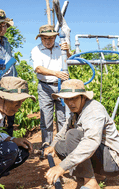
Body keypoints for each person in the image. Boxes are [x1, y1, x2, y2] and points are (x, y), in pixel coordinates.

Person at [44, 79, 119, 189]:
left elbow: (90, 143)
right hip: (101, 156)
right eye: (67, 99)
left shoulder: (93, 111)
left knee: (73, 135)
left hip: (113, 162)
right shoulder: (77, 111)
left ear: (83, 97)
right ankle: (95, 175)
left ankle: (91, 184)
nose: (70, 103)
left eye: (74, 98)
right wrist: (53, 145)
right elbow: (63, 131)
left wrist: (62, 167)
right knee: (60, 146)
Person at [31, 24, 71, 158]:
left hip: (61, 86)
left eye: (51, 38)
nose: (48, 41)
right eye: (44, 39)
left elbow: (69, 60)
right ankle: (46, 147)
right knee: (46, 119)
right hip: (45, 86)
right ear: (40, 38)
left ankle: (61, 147)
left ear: (55, 38)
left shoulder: (60, 48)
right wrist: (56, 73)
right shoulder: (36, 50)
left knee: (63, 117)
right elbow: (38, 69)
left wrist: (68, 51)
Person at [0, 19, 17, 136]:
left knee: (10, 116)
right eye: (0, 26)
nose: (2, 29)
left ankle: (9, 141)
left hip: (10, 84)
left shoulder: (6, 42)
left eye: (5, 26)